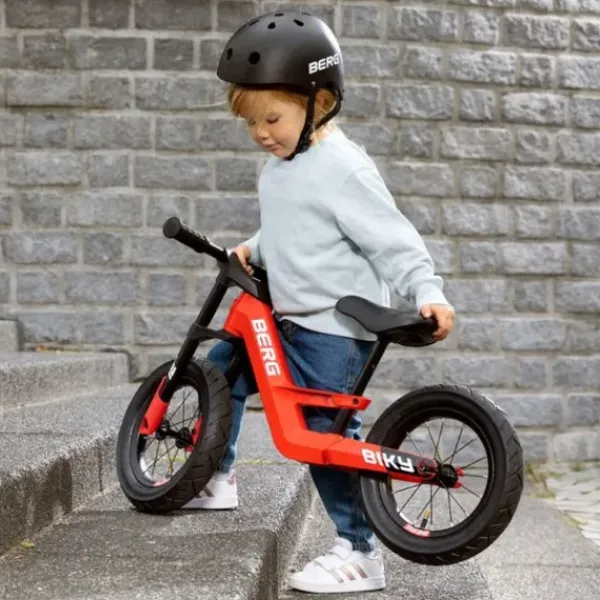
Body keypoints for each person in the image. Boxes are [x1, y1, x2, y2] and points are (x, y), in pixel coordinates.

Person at [183, 10, 455, 595]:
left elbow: (393, 238)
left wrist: (427, 290)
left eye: (272, 118)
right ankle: (215, 473)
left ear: (320, 103)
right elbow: (295, 226)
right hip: (289, 320)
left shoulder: (343, 169)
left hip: (333, 331)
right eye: (251, 123)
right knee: (223, 369)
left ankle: (360, 550)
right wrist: (255, 248)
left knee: (323, 437)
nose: (262, 133)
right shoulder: (282, 166)